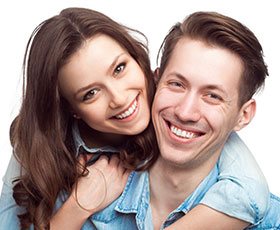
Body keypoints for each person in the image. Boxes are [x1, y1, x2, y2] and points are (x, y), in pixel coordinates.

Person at [0, 7, 269, 229]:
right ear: (70, 108)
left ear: (139, 61)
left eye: (119, 68)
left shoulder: (177, 114)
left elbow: (246, 185)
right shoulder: (40, 144)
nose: (119, 98)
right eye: (90, 93)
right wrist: (77, 207)